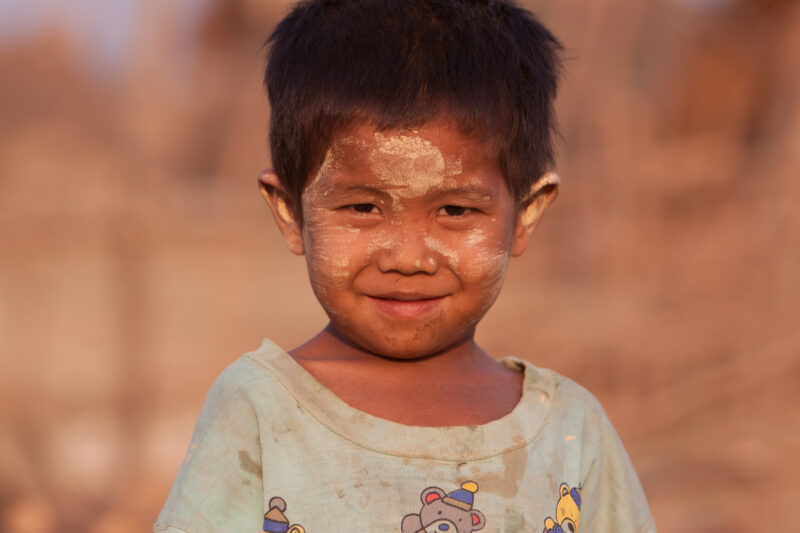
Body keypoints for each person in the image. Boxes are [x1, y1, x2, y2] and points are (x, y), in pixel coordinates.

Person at [155, 1, 656, 532]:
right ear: (290, 212)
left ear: (525, 215)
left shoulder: (571, 432)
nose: (408, 259)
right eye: (362, 208)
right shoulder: (261, 410)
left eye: (455, 211)